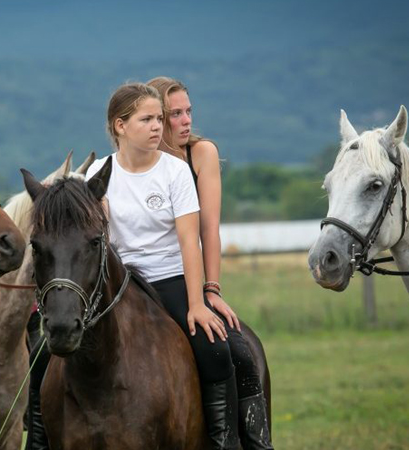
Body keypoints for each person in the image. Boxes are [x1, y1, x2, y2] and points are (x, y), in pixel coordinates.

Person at [148, 76, 273, 449]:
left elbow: (208, 229)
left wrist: (211, 290)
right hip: (145, 278)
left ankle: (254, 442)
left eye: (189, 111)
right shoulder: (142, 160)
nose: (185, 121)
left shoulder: (200, 154)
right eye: (175, 114)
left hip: (187, 278)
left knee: (240, 352)